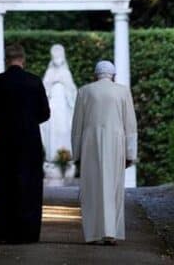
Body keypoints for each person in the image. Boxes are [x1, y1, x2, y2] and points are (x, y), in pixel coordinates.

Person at [0, 43, 50, 244]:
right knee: (30, 183)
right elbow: (45, 113)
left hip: (4, 139)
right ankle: (28, 232)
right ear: (23, 59)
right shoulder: (34, 81)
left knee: (5, 184)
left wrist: (5, 121)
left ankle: (6, 232)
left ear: (6, 60)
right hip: (29, 139)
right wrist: (28, 121)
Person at [71, 60, 138, 245]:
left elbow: (77, 126)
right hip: (116, 145)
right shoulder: (123, 91)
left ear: (96, 75)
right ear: (113, 75)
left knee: (92, 188)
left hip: (90, 145)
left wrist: (76, 154)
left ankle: (93, 233)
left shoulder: (84, 91)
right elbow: (130, 125)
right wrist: (130, 153)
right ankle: (111, 232)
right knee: (114, 188)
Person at [41, 44, 77, 161]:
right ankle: (52, 157)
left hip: (64, 108)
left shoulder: (66, 73)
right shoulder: (49, 73)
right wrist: (52, 83)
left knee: (64, 129)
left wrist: (63, 83)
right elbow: (43, 91)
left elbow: (72, 91)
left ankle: (65, 156)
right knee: (52, 130)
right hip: (52, 107)